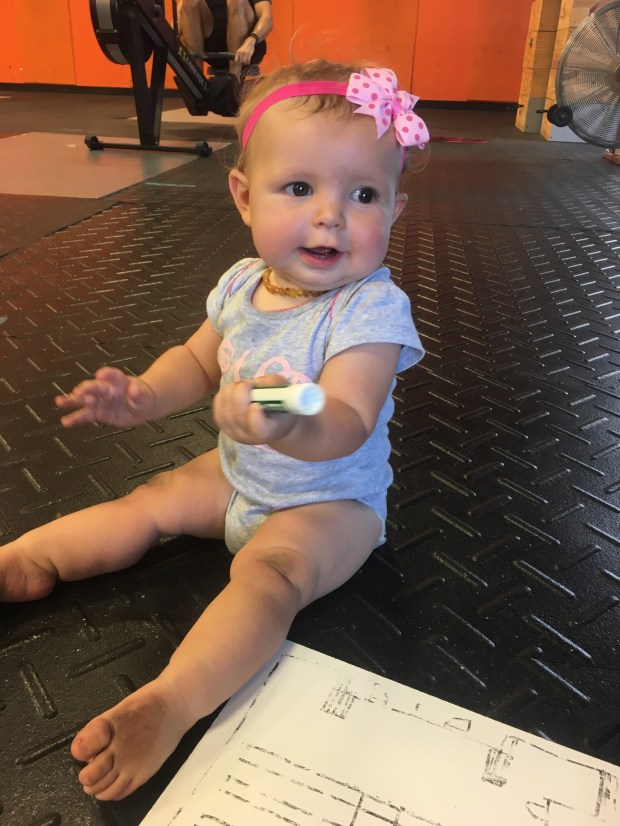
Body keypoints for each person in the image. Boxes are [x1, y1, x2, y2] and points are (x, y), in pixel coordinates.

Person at [0, 59, 428, 801]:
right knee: (151, 499)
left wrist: (278, 411)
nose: (331, 215)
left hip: (330, 504)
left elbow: (348, 419)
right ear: (243, 196)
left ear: (394, 210)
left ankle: (171, 702)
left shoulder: (371, 309)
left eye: (363, 195)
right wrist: (141, 396)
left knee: (268, 579)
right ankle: (28, 558)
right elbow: (199, 362)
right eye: (300, 188)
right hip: (237, 473)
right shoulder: (240, 283)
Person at [177, 0, 272, 77]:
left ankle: (234, 79)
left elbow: (267, 18)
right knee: (189, 1)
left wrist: (252, 40)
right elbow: (181, 13)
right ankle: (196, 77)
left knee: (236, 1)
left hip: (245, 50)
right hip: (211, 44)